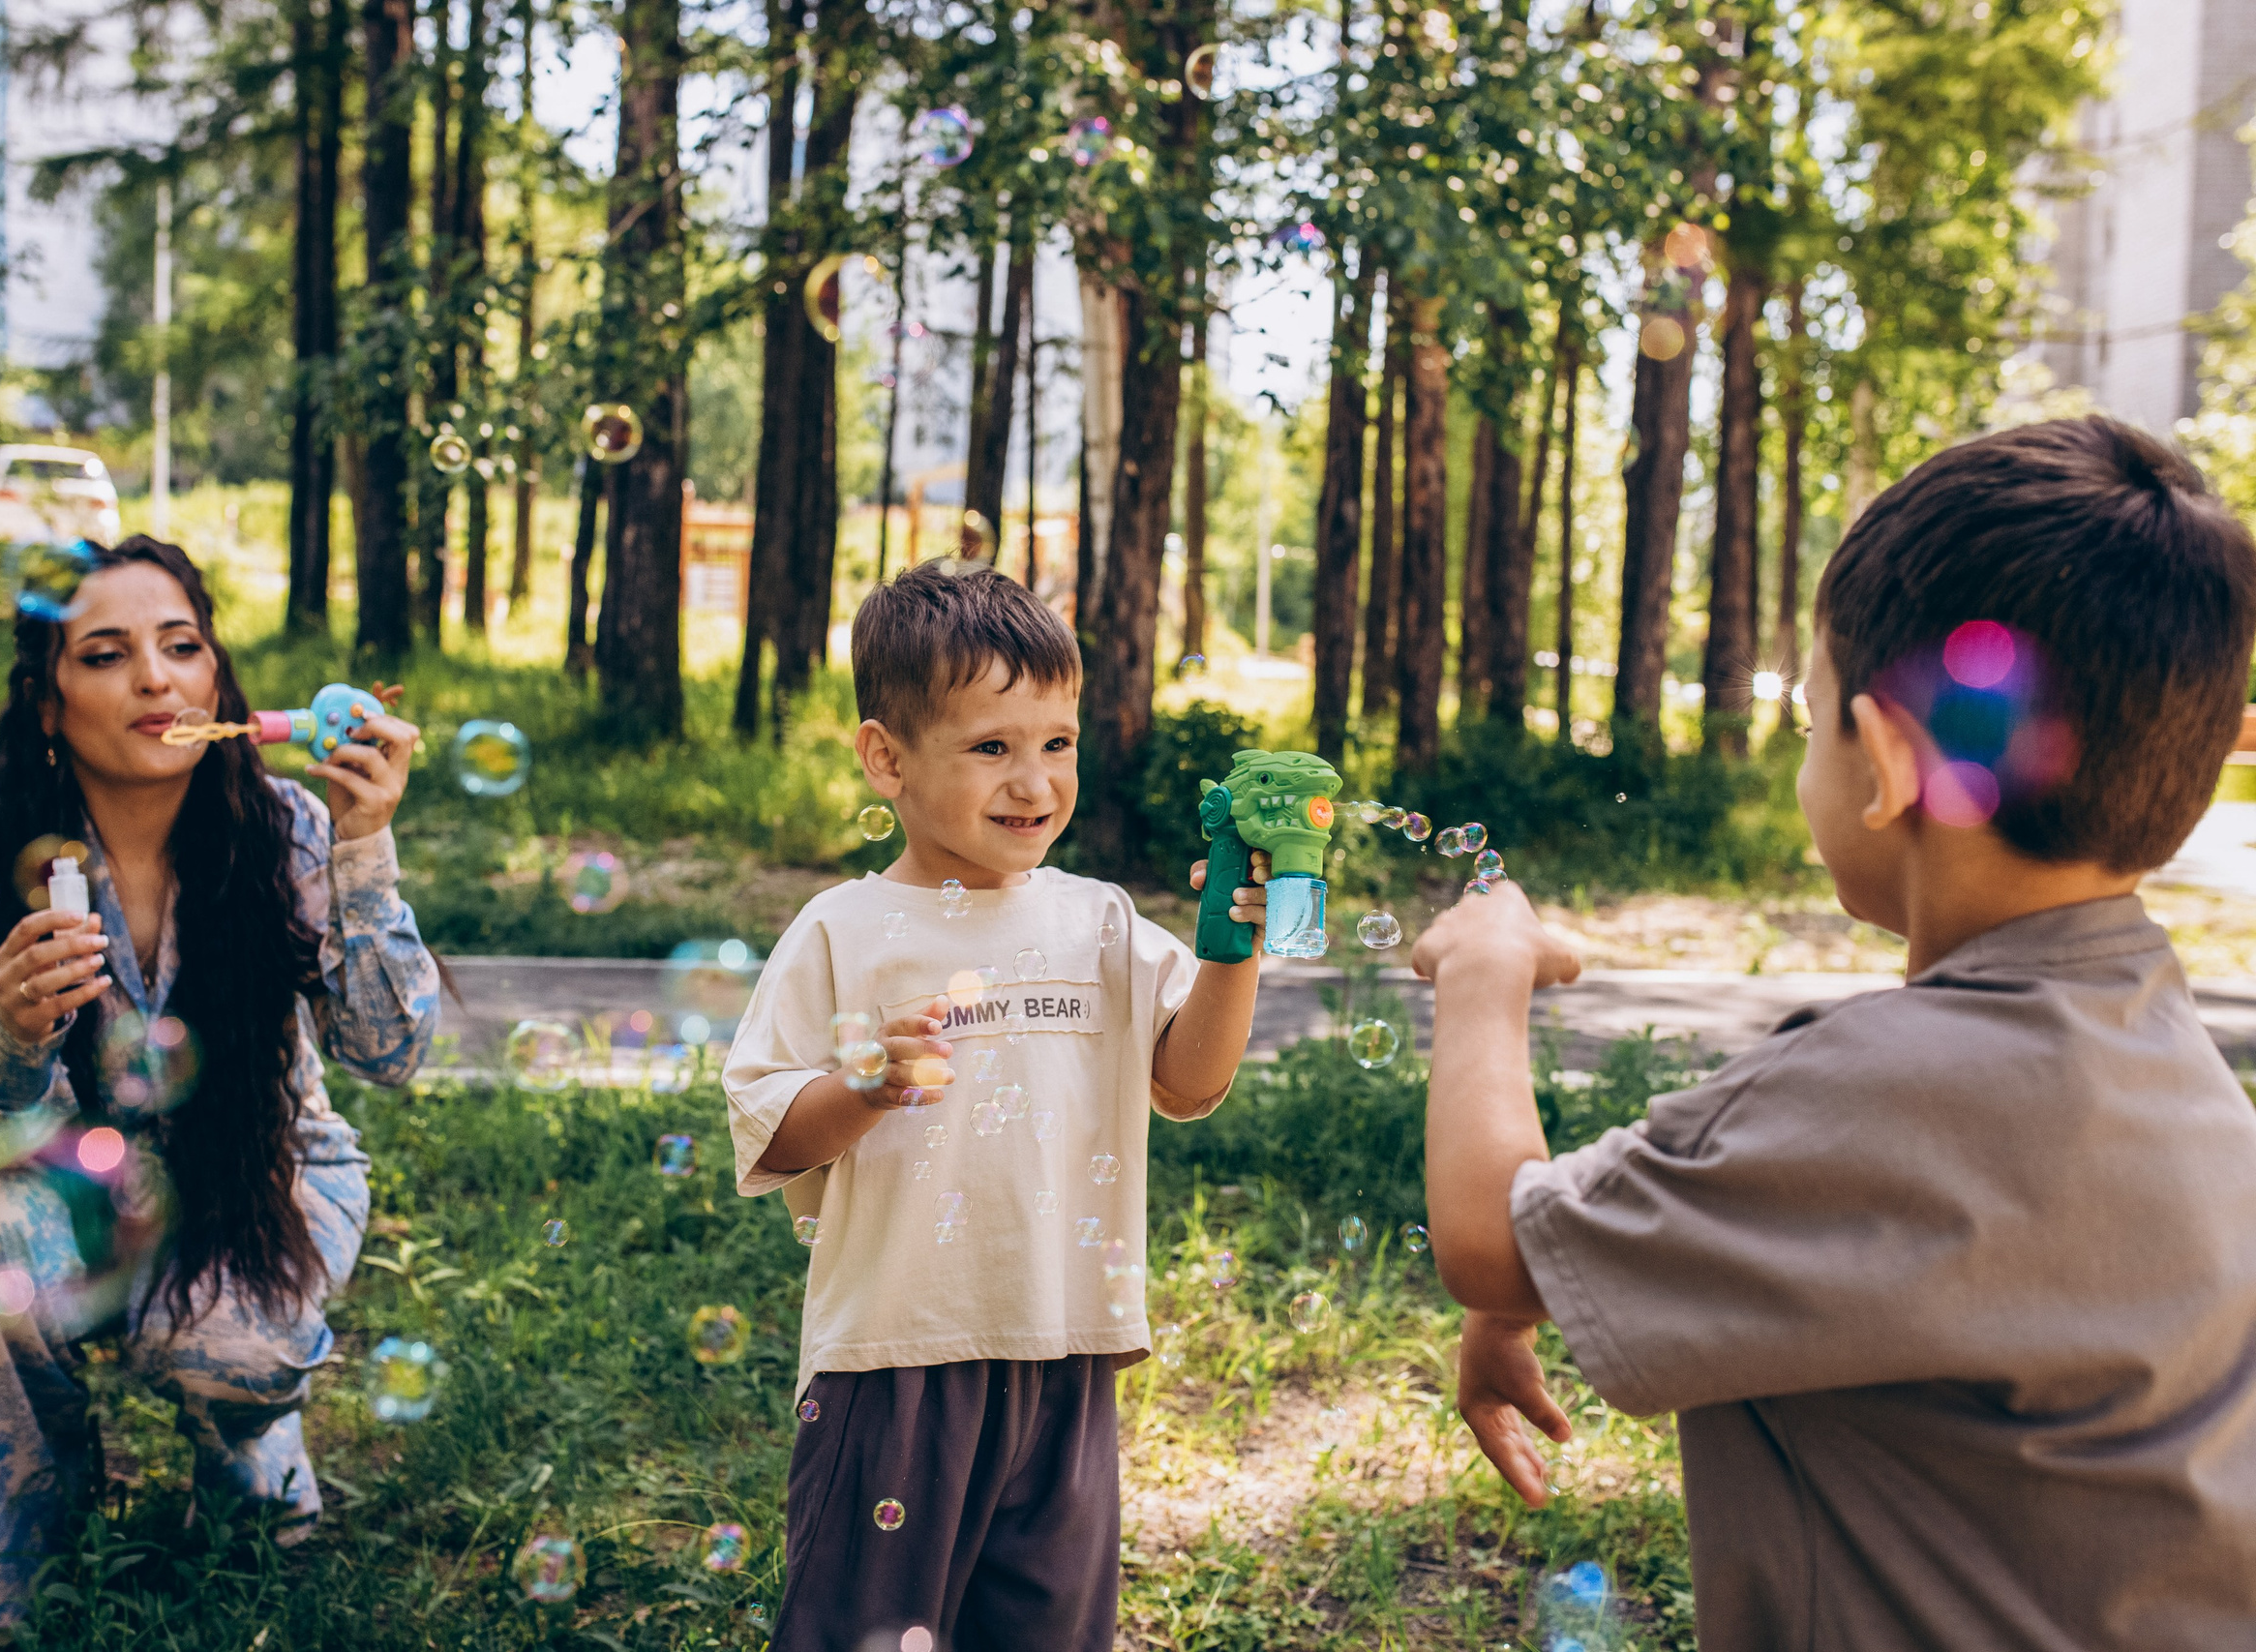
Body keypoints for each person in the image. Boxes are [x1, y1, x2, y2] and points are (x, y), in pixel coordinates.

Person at [1413, 416, 2256, 1648]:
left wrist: (1486, 975)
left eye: (1814, 724)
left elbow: (1488, 1241)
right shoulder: (2172, 1065)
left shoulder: (1886, 1092)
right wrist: (1563, 1268)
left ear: (1887, 762)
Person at [0, 536, 440, 1644]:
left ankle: (246, 1441)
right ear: (47, 704)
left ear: (219, 682)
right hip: (49, 1185)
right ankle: (16, 1537)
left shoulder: (289, 833)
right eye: (106, 653)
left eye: (182, 646)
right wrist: (13, 1034)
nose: (156, 679)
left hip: (257, 1175)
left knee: (243, 1354)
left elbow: (390, 1056)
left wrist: (365, 846)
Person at [723, 558, 1266, 1652]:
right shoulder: (844, 929)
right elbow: (771, 1128)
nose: (1034, 783)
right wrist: (865, 1087)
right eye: (991, 748)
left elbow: (1188, 1080)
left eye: (1056, 744)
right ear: (887, 758)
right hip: (893, 1361)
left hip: (1065, 1351)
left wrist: (1229, 956)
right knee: (865, 1633)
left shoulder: (1102, 922)